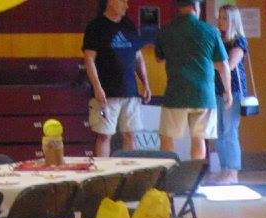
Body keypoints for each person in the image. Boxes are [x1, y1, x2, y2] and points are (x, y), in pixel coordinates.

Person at [154, 0, 231, 161]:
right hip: (204, 95)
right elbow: (223, 64)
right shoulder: (210, 31)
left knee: (167, 137)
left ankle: (169, 178)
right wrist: (228, 91)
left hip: (176, 93)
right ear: (196, 7)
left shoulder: (166, 30)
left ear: (178, 7)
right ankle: (196, 180)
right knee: (199, 138)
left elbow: (159, 58)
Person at [82, 0, 151, 156]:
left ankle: (130, 173)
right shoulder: (95, 27)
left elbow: (138, 57)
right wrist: (97, 87)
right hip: (106, 93)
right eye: (123, 1)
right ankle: (103, 176)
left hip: (130, 92)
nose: (126, 6)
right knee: (104, 135)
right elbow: (89, 59)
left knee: (130, 135)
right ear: (111, 2)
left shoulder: (129, 26)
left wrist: (145, 84)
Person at [211, 3, 248, 184]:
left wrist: (213, 67)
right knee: (218, 131)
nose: (220, 21)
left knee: (229, 130)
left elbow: (230, 65)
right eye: (219, 17)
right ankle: (224, 169)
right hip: (215, 88)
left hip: (232, 90)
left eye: (224, 18)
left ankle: (233, 172)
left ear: (233, 21)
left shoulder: (238, 41)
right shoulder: (217, 38)